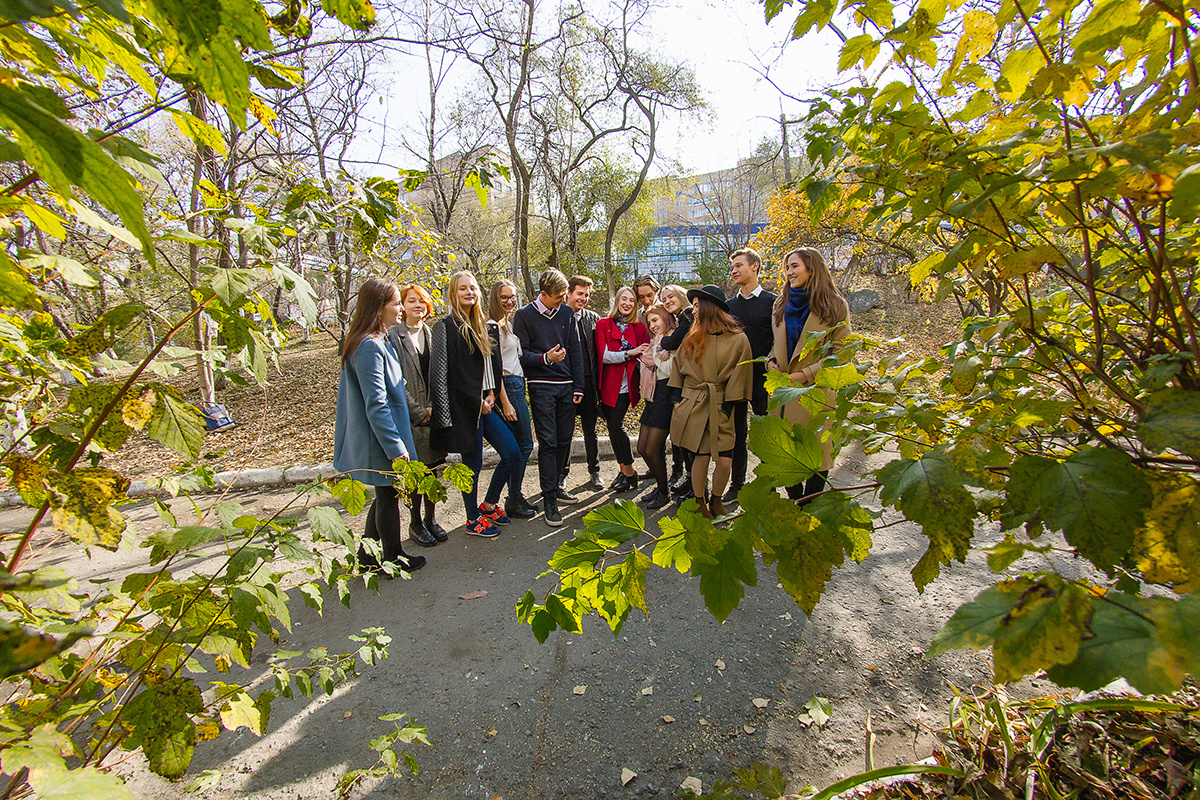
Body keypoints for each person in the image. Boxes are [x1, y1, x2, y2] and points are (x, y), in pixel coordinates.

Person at [333, 277, 425, 573]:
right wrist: (396, 447)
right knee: (388, 495)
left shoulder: (373, 340)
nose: (401, 308)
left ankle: (367, 553)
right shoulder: (369, 346)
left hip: (383, 434)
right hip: (381, 437)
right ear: (378, 307)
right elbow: (376, 404)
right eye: (396, 303)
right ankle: (393, 556)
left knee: (385, 493)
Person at [429, 271, 519, 538]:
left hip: (486, 404)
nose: (469, 292)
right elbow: (443, 374)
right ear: (453, 294)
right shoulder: (445, 327)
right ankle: (472, 519)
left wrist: (491, 394)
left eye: (472, 288)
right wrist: (470, 404)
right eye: (462, 289)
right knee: (473, 465)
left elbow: (491, 366)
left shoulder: (486, 325)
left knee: (512, 453)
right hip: (464, 408)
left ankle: (489, 504)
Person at [770, 247, 851, 505]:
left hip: (815, 393)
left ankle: (809, 510)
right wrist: (771, 361)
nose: (789, 272)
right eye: (787, 267)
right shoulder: (781, 303)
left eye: (794, 266)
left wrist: (804, 375)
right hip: (782, 392)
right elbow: (778, 344)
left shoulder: (835, 305)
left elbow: (842, 352)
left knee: (817, 458)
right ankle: (798, 506)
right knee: (786, 457)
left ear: (812, 268)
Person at [668, 284, 752, 520]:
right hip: (693, 405)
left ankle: (717, 499)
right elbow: (677, 371)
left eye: (696, 306)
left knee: (725, 459)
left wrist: (728, 407)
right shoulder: (692, 338)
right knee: (700, 457)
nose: (693, 311)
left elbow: (741, 375)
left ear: (708, 308)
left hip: (721, 405)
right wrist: (677, 401)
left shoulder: (738, 340)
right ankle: (699, 501)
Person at [513, 268, 585, 527]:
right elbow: (520, 355)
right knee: (548, 442)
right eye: (558, 297)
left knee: (565, 440)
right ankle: (549, 499)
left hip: (567, 387)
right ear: (543, 294)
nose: (562, 301)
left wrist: (579, 387)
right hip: (541, 386)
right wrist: (546, 358)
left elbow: (576, 351)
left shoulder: (566, 313)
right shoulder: (523, 316)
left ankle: (557, 485)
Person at [388, 283, 447, 548]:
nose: (417, 306)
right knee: (416, 472)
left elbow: (441, 372)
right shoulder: (392, 337)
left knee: (435, 469)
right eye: (411, 301)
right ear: (402, 306)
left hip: (435, 413)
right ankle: (415, 523)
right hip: (410, 415)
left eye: (422, 301)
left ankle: (431, 519)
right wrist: (419, 411)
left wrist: (436, 407)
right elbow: (394, 380)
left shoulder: (434, 334)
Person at [725, 247, 779, 505]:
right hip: (735, 379)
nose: (734, 270)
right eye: (732, 267)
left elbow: (780, 340)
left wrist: (773, 359)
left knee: (766, 433)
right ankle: (737, 485)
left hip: (764, 380)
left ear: (755, 266)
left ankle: (769, 484)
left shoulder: (773, 302)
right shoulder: (728, 306)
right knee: (737, 434)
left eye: (739, 265)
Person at [487, 279, 538, 520]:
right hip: (507, 387)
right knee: (524, 445)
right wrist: (504, 401)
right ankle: (513, 497)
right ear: (495, 300)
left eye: (512, 297)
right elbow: (495, 368)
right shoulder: (491, 326)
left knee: (519, 446)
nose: (510, 301)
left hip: (518, 385)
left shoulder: (506, 324)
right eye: (504, 298)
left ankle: (511, 496)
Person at [595, 286, 650, 492]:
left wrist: (635, 354)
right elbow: (604, 356)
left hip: (627, 386)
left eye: (631, 300)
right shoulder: (603, 324)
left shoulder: (639, 328)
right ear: (617, 300)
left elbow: (645, 355)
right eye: (624, 299)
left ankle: (630, 473)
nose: (627, 303)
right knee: (612, 427)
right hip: (607, 385)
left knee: (617, 426)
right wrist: (630, 353)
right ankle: (624, 470)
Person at [561, 275, 604, 493]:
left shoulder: (593, 318)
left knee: (591, 429)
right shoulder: (558, 317)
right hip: (566, 383)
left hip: (589, 383)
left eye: (587, 295)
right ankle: (562, 475)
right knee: (566, 432)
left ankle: (594, 471)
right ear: (568, 293)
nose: (584, 298)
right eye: (580, 293)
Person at [636, 304, 676, 510]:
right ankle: (660, 486)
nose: (652, 325)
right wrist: (654, 351)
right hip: (652, 395)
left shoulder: (671, 339)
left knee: (652, 449)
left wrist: (658, 350)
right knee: (642, 448)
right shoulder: (655, 342)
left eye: (656, 320)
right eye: (649, 321)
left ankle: (663, 492)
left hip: (666, 393)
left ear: (666, 319)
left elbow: (669, 369)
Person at [659, 284, 694, 498]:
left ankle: (695, 484)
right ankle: (690, 480)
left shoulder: (689, 314)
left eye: (670, 296)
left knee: (688, 437)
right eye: (663, 299)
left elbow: (674, 341)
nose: (667, 301)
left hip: (691, 381)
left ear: (681, 295)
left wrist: (661, 341)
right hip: (682, 378)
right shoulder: (682, 317)